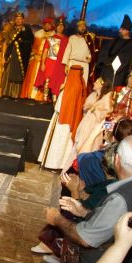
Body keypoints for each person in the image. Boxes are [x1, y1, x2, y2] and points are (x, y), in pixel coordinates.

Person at [44, 136, 132, 263]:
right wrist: (84, 212)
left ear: (117, 160)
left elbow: (86, 238)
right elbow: (112, 221)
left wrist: (56, 219)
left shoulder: (120, 199)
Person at [38, 29, 91, 170]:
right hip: (69, 121)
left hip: (63, 121)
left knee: (58, 142)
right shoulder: (80, 87)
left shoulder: (71, 88)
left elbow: (58, 106)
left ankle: (52, 163)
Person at [95, 15, 132, 88]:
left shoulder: (131, 45)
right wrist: (104, 62)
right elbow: (105, 51)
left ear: (127, 31)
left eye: (122, 29)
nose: (119, 30)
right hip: (106, 70)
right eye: (120, 29)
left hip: (117, 74)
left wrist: (112, 64)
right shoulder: (115, 40)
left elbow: (125, 60)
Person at [0, 12, 34, 98]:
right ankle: (6, 92)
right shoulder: (11, 30)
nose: (18, 20)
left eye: (20, 19)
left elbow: (30, 41)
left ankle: (16, 94)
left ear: (23, 20)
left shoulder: (27, 30)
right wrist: (3, 56)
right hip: (11, 55)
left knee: (18, 73)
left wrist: (21, 42)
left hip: (21, 56)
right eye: (17, 19)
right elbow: (7, 43)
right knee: (8, 72)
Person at [21, 17, 54, 100]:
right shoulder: (38, 34)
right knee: (32, 76)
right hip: (36, 59)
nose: (47, 26)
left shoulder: (53, 37)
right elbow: (34, 48)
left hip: (46, 60)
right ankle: (29, 94)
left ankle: (39, 96)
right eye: (45, 24)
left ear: (51, 26)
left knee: (43, 78)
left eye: (49, 25)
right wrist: (34, 55)